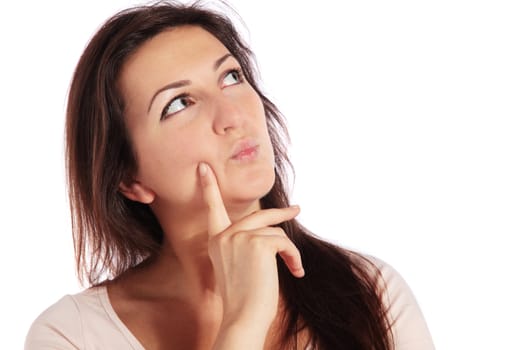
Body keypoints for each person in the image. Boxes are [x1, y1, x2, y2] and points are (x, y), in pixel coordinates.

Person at [25, 1, 434, 349]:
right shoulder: (74, 335)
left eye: (231, 77)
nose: (233, 115)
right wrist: (242, 324)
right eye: (179, 103)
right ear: (129, 179)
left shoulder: (369, 292)